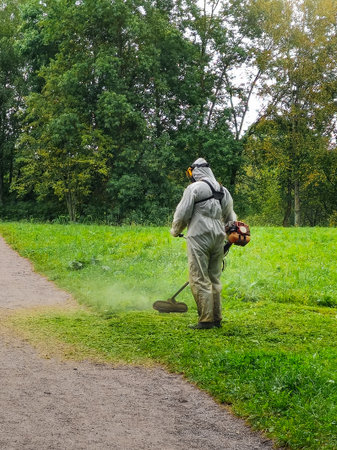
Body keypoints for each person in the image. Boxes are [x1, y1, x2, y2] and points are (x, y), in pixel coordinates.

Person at [170, 158, 236, 329]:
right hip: (218, 238)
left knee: (199, 278)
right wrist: (229, 237)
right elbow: (231, 219)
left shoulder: (194, 188)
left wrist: (175, 231)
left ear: (196, 172)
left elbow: (182, 213)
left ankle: (205, 320)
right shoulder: (224, 191)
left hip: (199, 236)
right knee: (214, 277)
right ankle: (216, 318)